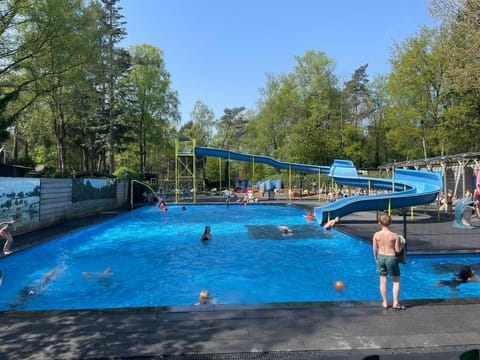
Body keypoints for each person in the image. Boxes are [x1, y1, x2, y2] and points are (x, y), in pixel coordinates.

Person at [372, 214, 405, 310]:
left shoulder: (376, 235)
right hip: (391, 257)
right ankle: (395, 303)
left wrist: (376, 259)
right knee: (396, 281)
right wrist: (403, 244)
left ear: (379, 223)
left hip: (381, 257)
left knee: (382, 281)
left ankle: (385, 302)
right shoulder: (394, 236)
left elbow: (374, 249)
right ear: (390, 223)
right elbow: (397, 250)